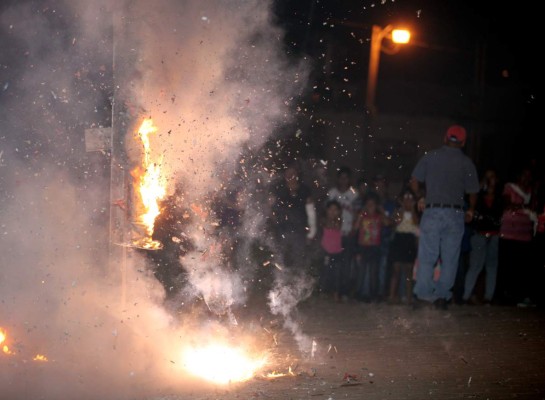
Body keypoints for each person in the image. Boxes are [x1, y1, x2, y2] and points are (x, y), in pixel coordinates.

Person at [410, 125, 480, 310]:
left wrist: (420, 197)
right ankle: (442, 296)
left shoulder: (431, 156)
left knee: (427, 255)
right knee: (450, 258)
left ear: (445, 138)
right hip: (455, 213)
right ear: (463, 142)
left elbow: (414, 180)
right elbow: (473, 190)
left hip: (433, 211)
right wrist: (471, 209)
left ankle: (424, 295)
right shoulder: (467, 163)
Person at [496, 166, 537, 307]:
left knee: (519, 267)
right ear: (519, 176)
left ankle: (515, 297)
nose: (526, 178)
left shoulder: (531, 191)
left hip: (524, 234)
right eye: (524, 175)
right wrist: (524, 209)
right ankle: (500, 296)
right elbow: (508, 204)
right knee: (505, 265)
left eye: (529, 175)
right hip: (508, 232)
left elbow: (534, 208)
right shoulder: (510, 187)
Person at [462, 169, 503, 305]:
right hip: (479, 235)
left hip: (495, 235)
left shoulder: (500, 197)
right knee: (475, 266)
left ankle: (488, 298)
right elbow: (473, 193)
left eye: (493, 177)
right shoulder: (477, 196)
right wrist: (484, 180)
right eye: (488, 177)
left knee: (491, 267)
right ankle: (466, 296)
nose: (490, 180)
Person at [269, 161, 317, 270]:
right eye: (288, 173)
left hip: (299, 230)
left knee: (299, 259)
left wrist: (312, 231)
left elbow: (311, 212)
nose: (290, 175)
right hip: (282, 230)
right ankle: (281, 283)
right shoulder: (279, 189)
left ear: (297, 174)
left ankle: (298, 283)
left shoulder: (305, 190)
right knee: (280, 260)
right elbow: (270, 207)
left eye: (293, 173)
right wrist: (275, 222)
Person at [352, 191, 388, 302]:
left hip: (375, 247)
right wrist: (359, 215)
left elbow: (387, 223)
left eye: (372, 204)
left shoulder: (379, 216)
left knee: (374, 273)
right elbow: (355, 228)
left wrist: (382, 211)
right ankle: (358, 294)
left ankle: (374, 295)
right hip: (363, 247)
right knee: (361, 272)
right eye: (368, 203)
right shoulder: (362, 215)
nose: (370, 206)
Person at [388, 187, 420, 305]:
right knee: (395, 271)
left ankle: (409, 298)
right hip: (399, 239)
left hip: (409, 240)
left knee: (409, 272)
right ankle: (392, 296)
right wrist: (402, 207)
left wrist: (411, 209)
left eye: (410, 197)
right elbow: (396, 221)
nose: (408, 199)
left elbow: (416, 223)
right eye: (405, 197)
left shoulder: (414, 212)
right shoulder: (398, 210)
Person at [318, 200, 345, 301]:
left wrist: (335, 218)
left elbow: (337, 226)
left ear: (339, 211)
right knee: (325, 272)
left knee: (337, 273)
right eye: (331, 209)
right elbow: (326, 225)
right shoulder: (323, 220)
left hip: (337, 251)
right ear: (327, 210)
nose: (333, 212)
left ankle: (336, 294)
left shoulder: (339, 220)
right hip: (326, 250)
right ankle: (323, 292)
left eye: (335, 210)